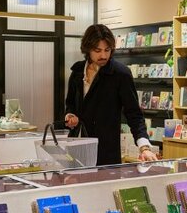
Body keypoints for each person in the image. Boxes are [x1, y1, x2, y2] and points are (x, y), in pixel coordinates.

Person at [65, 25, 159, 166]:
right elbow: (70, 104)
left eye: (107, 50)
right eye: (98, 50)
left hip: (105, 151)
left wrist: (144, 146)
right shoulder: (77, 71)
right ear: (87, 49)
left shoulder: (120, 74)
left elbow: (134, 113)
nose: (103, 55)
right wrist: (70, 115)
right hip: (76, 146)